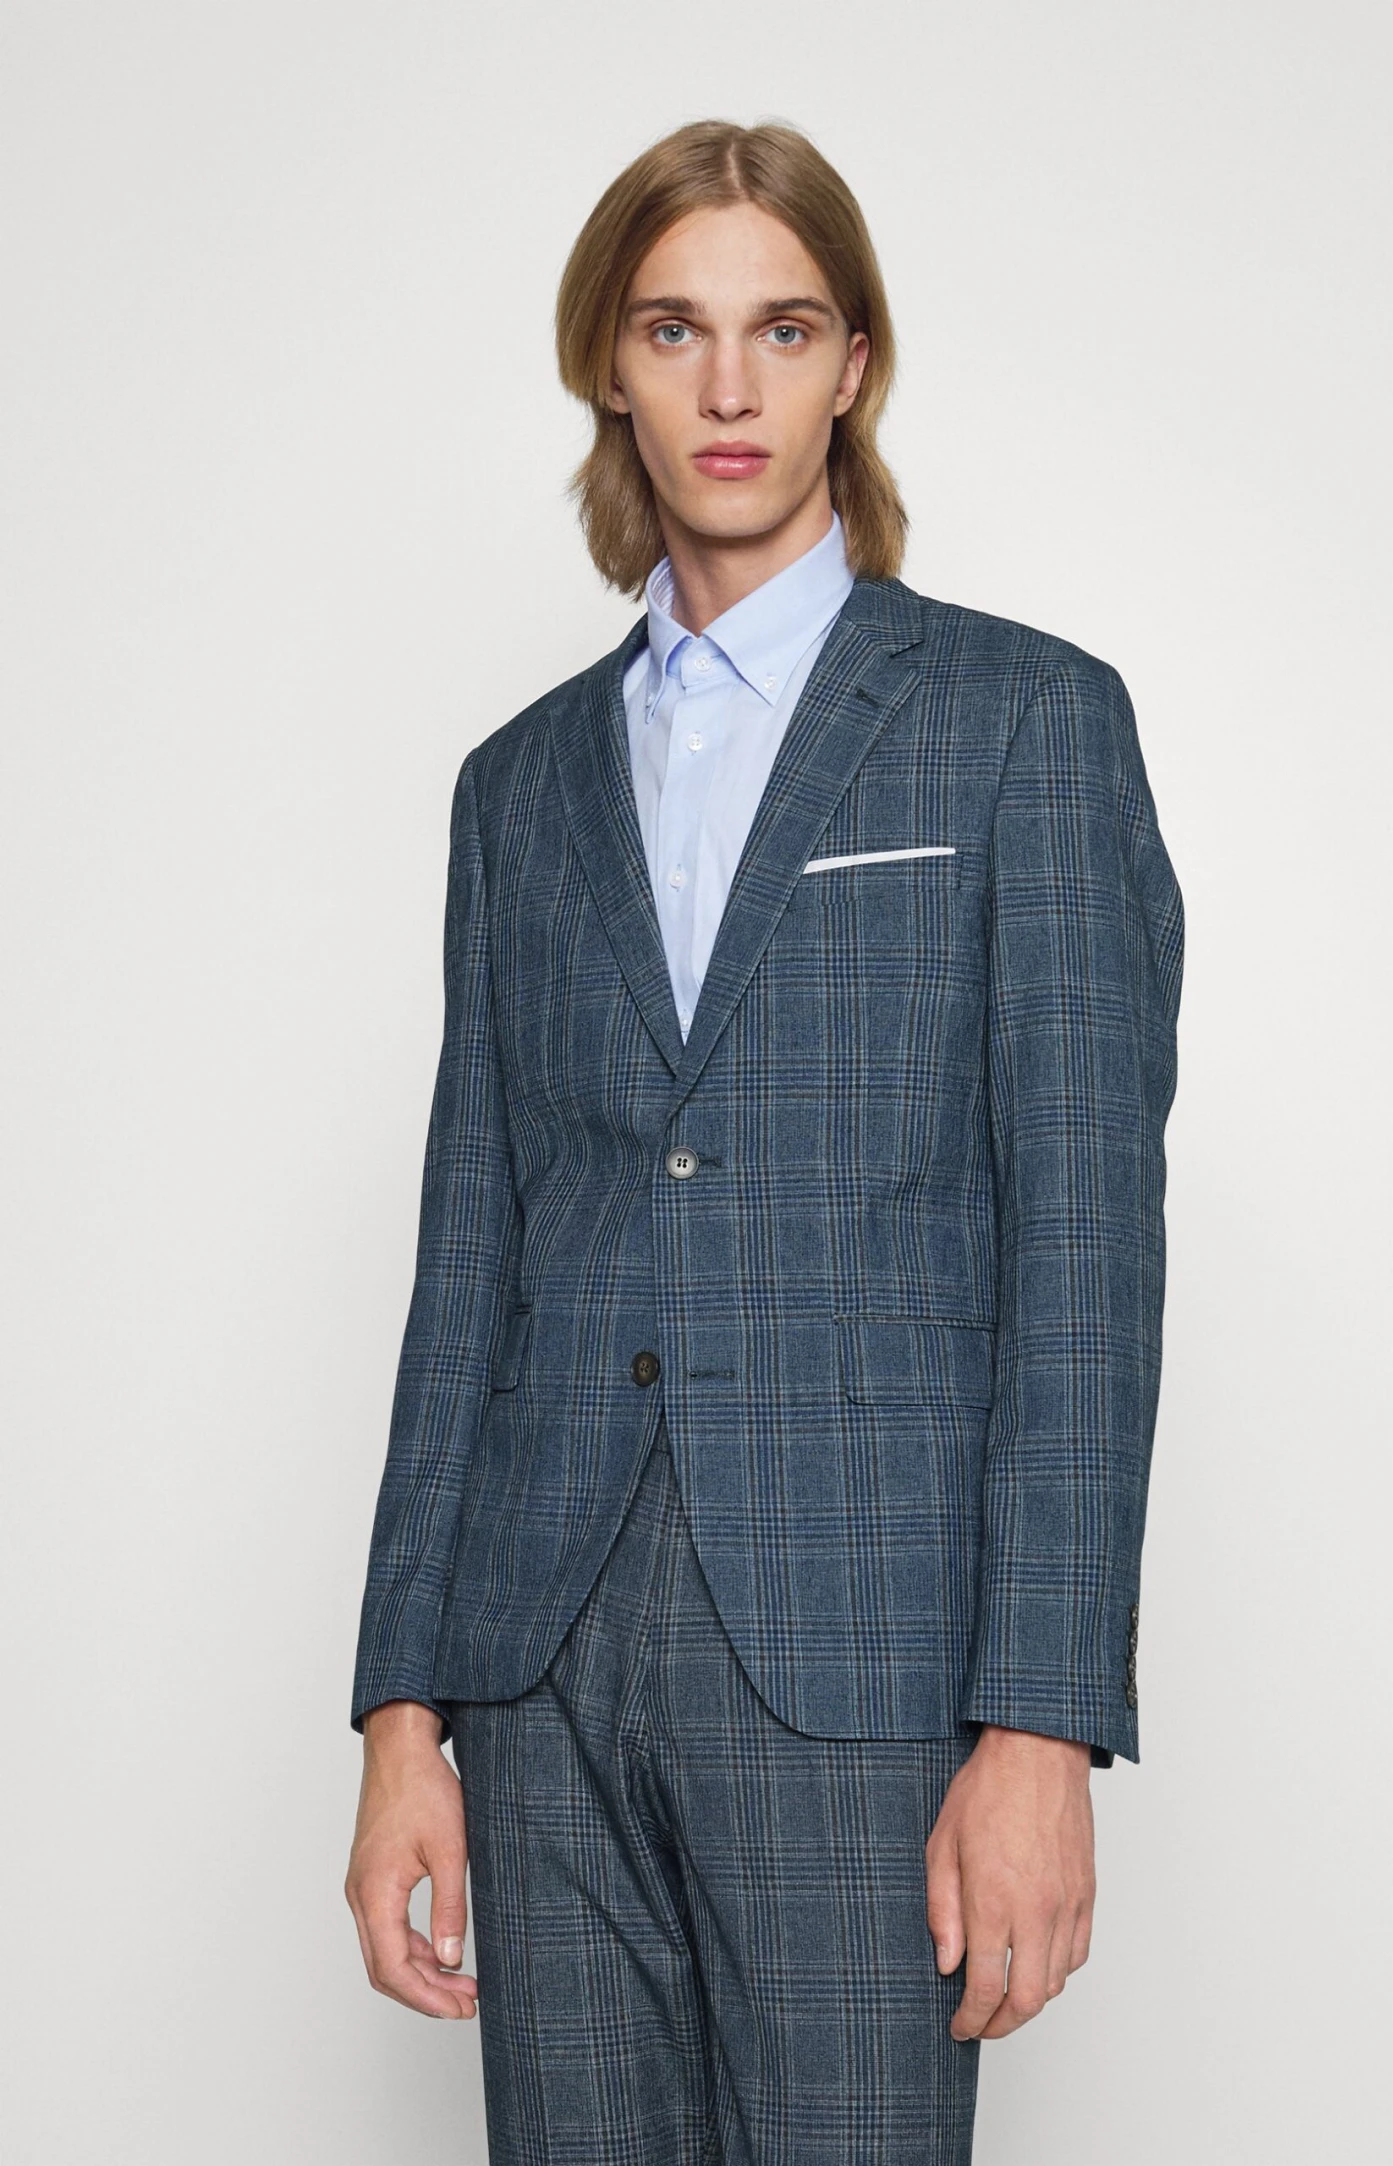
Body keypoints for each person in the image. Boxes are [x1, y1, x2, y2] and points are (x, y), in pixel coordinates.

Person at [344, 116, 1184, 2166]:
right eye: (674, 329)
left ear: (853, 365)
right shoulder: (516, 787)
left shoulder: (1019, 724)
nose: (729, 385)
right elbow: (471, 1261)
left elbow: (1086, 1245)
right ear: (609, 367)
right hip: (541, 1669)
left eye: (783, 329)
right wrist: (402, 1717)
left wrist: (1042, 1721)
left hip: (862, 1662)